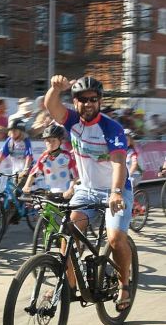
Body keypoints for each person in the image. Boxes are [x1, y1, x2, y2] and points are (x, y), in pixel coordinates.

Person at [45, 75, 133, 311]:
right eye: (82, 99)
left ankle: (125, 283)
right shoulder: (72, 121)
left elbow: (118, 162)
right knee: (69, 231)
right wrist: (56, 89)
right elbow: (51, 107)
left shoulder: (110, 127)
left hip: (115, 189)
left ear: (100, 100)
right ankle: (69, 283)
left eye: (93, 99)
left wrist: (115, 193)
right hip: (87, 189)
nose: (88, 103)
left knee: (115, 239)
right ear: (75, 102)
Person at [22, 123, 77, 199]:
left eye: (53, 140)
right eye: (48, 141)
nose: (50, 143)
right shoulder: (44, 158)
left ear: (60, 141)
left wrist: (70, 189)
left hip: (66, 193)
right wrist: (27, 185)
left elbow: (75, 176)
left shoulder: (67, 157)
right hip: (50, 193)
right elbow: (34, 173)